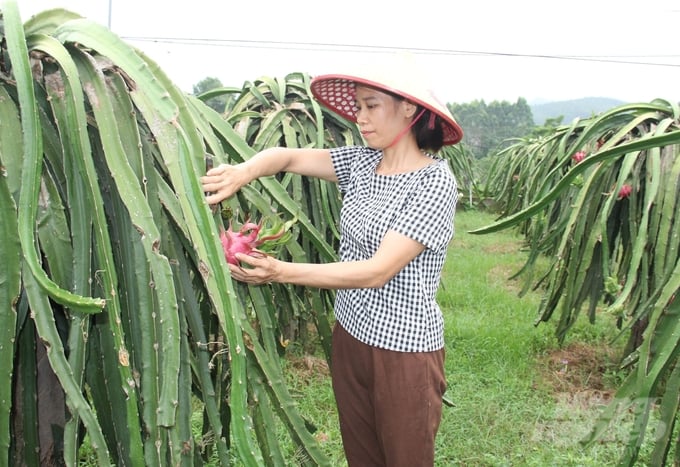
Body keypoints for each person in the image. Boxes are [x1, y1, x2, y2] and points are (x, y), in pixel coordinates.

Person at [200, 53, 463, 467]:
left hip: (404, 352)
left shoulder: (434, 183)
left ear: (409, 108)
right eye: (358, 107)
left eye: (372, 106)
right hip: (351, 338)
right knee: (362, 456)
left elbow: (377, 270)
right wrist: (244, 171)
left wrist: (280, 272)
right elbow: (286, 157)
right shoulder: (361, 164)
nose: (361, 117)